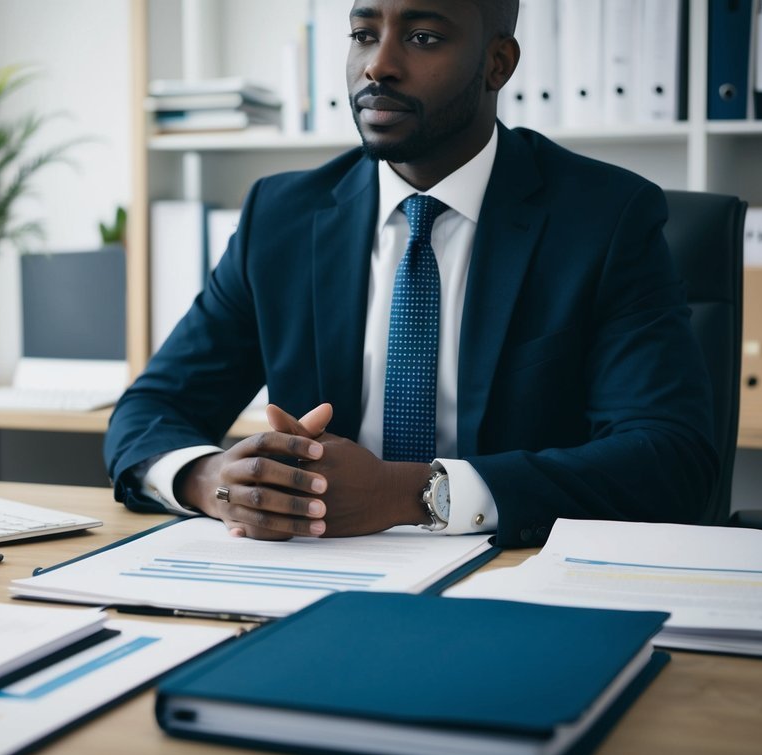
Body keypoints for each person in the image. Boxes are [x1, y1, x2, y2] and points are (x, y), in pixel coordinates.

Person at [104, 0, 716, 548]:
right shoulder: (282, 217)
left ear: (497, 64)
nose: (378, 66)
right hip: (314, 575)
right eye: (363, 34)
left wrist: (408, 494)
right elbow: (152, 408)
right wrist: (216, 481)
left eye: (422, 37)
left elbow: (669, 458)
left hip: (511, 576)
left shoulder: (605, 217)